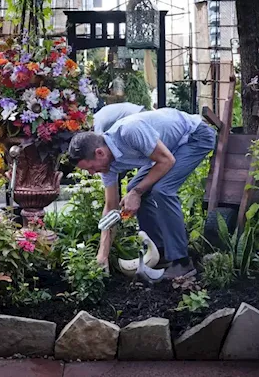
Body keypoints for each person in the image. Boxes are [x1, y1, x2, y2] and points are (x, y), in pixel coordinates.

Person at [67, 107, 216, 279]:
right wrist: (103, 254)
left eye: (91, 168)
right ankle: (160, 253)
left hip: (194, 137)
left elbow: (167, 161)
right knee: (133, 189)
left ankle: (182, 262)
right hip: (168, 148)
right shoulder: (107, 165)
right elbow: (111, 207)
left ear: (99, 153)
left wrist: (137, 192)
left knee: (162, 191)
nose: (93, 173)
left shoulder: (129, 131)